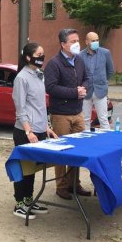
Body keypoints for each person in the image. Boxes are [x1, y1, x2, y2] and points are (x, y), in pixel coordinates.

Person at [12, 42, 57, 219]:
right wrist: (29, 132)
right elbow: (20, 109)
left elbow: (40, 106)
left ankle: (29, 199)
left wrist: (47, 127)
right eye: (38, 54)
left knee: (33, 168)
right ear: (28, 57)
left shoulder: (39, 76)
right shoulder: (21, 78)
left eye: (43, 54)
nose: (42, 58)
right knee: (24, 168)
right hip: (25, 132)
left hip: (39, 130)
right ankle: (19, 204)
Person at [45, 28, 91, 200]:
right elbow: (50, 87)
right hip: (61, 115)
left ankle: (74, 183)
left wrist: (83, 88)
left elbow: (86, 77)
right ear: (63, 44)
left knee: (77, 151)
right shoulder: (54, 63)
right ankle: (61, 186)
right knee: (62, 151)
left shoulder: (79, 61)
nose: (77, 44)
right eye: (72, 41)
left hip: (78, 113)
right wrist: (74, 92)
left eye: (77, 40)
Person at [79, 32, 115, 130]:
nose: (96, 42)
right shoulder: (80, 55)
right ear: (86, 42)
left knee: (103, 118)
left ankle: (107, 141)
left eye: (97, 40)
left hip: (100, 90)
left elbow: (110, 70)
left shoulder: (105, 53)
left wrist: (104, 82)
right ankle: (86, 139)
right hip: (86, 91)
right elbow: (78, 73)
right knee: (85, 119)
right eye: (93, 40)